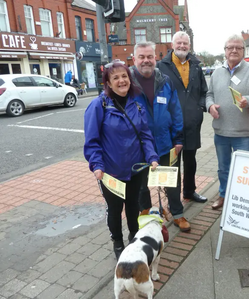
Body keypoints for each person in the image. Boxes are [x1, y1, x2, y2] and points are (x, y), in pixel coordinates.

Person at [83, 59, 159, 260]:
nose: (121, 80)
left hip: (135, 169)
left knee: (133, 205)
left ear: (129, 79)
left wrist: (152, 156)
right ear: (107, 82)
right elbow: (92, 140)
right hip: (111, 172)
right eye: (115, 77)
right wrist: (97, 165)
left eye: (124, 76)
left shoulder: (137, 103)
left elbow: (145, 135)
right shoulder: (98, 105)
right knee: (115, 210)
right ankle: (118, 243)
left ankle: (134, 239)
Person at [129, 41, 191, 232]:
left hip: (165, 143)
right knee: (141, 185)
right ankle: (145, 214)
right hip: (138, 147)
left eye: (149, 56)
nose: (146, 60)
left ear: (155, 58)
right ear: (134, 59)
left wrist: (178, 138)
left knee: (171, 181)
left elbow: (176, 111)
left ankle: (178, 214)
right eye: (141, 57)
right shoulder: (126, 82)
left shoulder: (165, 81)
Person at [206, 34, 249, 210]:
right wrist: (210, 106)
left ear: (243, 51)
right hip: (221, 132)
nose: (233, 50)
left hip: (242, 133)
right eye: (230, 47)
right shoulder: (216, 72)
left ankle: (241, 201)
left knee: (244, 171)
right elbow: (209, 94)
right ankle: (224, 195)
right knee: (223, 169)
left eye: (238, 47)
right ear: (224, 51)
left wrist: (247, 100)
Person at [157, 31, 208, 204]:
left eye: (185, 43)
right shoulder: (162, 66)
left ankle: (189, 191)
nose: (182, 46)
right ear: (172, 45)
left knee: (191, 161)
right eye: (179, 43)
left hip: (193, 122)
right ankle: (173, 201)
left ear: (189, 46)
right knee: (173, 164)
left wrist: (200, 107)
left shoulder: (196, 64)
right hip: (172, 124)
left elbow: (203, 90)